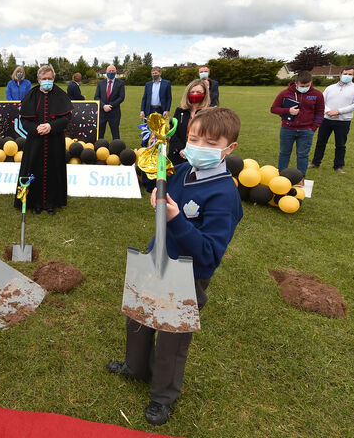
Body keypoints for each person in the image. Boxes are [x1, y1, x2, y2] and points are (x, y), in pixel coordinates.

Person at [108, 107, 243, 426]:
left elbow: (209, 253)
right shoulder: (181, 172)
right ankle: (135, 367)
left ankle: (163, 396)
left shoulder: (224, 195)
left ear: (229, 148)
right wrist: (148, 168)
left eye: (210, 143)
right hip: (155, 259)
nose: (199, 147)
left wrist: (176, 219)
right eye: (194, 139)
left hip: (187, 274)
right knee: (138, 319)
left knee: (171, 336)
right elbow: (154, 183)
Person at [15, 64, 73, 215]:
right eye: (44, 78)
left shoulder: (61, 94)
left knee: (54, 170)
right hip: (35, 141)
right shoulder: (31, 95)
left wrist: (51, 126)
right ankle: (35, 203)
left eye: (50, 78)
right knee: (34, 169)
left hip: (54, 140)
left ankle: (51, 203)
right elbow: (24, 120)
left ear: (54, 79)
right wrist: (36, 129)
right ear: (38, 80)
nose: (47, 81)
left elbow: (67, 117)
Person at [270, 70, 324, 178]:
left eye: (307, 85)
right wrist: (288, 111)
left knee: (303, 155)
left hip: (306, 131)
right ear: (296, 83)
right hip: (287, 129)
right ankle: (282, 176)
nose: (304, 88)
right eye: (302, 86)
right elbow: (273, 109)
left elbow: (320, 112)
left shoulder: (317, 94)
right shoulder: (285, 93)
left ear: (311, 82)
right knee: (284, 153)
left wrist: (313, 128)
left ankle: (300, 178)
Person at [310, 66, 354, 174]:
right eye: (345, 74)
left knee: (340, 144)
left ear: (353, 76)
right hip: (327, 119)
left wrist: (338, 111)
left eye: (350, 74)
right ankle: (315, 163)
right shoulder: (330, 88)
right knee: (321, 142)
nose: (347, 76)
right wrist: (329, 111)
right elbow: (321, 102)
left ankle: (338, 166)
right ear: (340, 74)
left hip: (343, 121)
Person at [166, 79, 210, 166]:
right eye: (192, 92)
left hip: (197, 156)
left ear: (205, 94)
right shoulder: (180, 111)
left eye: (198, 92)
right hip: (177, 155)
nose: (195, 94)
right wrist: (181, 149)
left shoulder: (209, 113)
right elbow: (172, 132)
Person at [94, 65, 126, 139]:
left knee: (115, 134)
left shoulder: (121, 83)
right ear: (106, 72)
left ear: (116, 72)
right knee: (100, 134)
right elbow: (96, 97)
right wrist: (103, 106)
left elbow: (121, 97)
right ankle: (99, 149)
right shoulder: (100, 83)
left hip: (114, 112)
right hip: (102, 112)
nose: (111, 72)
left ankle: (117, 149)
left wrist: (110, 105)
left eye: (113, 71)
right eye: (109, 71)